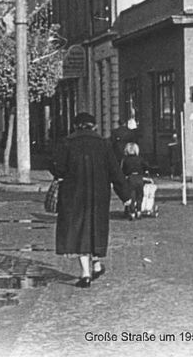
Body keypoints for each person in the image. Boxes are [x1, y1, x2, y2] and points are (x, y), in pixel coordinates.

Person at [52, 112, 131, 288]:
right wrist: (126, 196)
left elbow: (57, 168)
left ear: (75, 126)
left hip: (73, 195)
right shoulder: (103, 144)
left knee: (79, 231)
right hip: (98, 195)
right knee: (96, 229)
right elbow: (115, 172)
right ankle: (96, 264)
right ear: (94, 126)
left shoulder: (67, 143)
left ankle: (86, 274)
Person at [121, 142, 151, 219]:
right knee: (139, 196)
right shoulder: (140, 159)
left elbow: (123, 170)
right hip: (139, 178)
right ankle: (139, 211)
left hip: (130, 178)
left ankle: (132, 212)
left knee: (132, 196)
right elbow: (146, 166)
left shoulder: (125, 160)